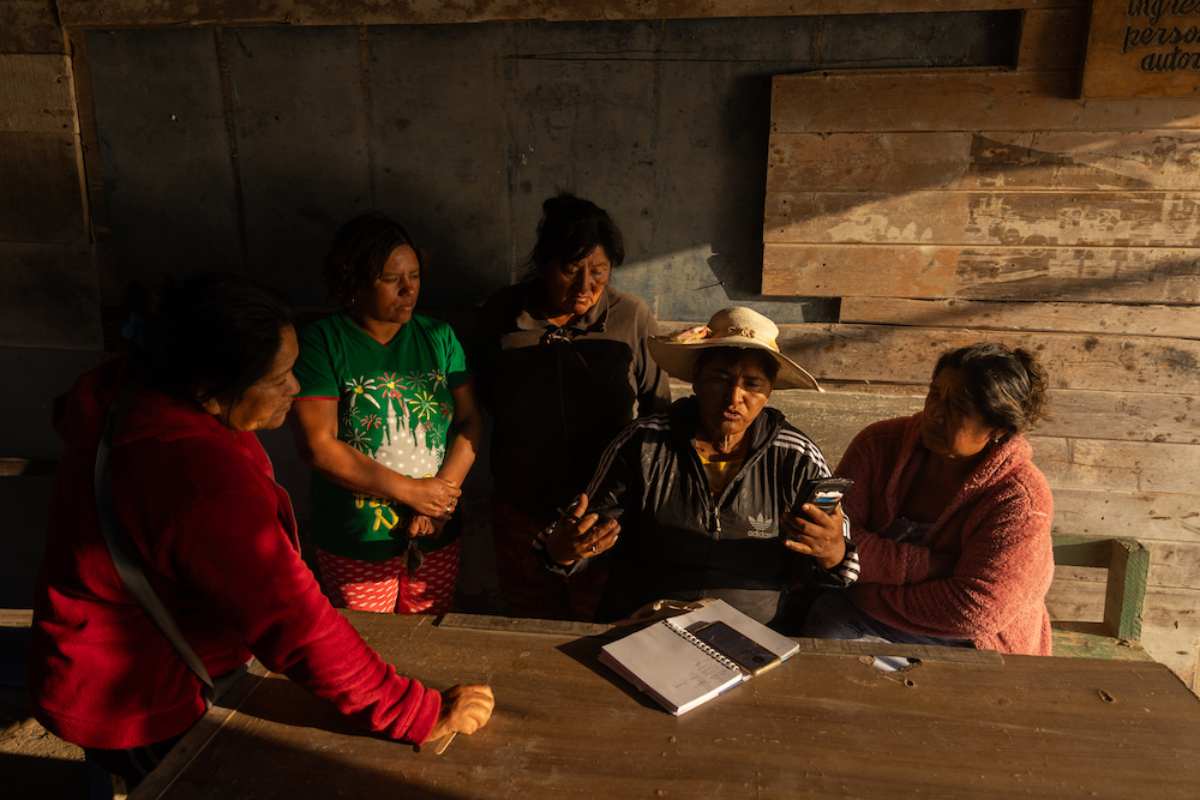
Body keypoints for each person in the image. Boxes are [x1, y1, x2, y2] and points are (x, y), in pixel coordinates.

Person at [28, 275, 493, 796]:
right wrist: (416, 713)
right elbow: (294, 623)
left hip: (99, 660)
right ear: (210, 391)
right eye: (278, 378)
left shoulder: (132, 388)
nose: (295, 390)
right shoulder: (194, 476)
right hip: (138, 695)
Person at [539, 307, 860, 626]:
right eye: (721, 378)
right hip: (646, 624)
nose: (734, 397)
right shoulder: (642, 443)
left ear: (768, 392)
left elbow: (841, 570)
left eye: (752, 384)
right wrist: (567, 550)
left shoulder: (796, 456)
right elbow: (579, 538)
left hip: (754, 633)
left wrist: (831, 552)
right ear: (697, 381)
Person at [473, 193, 670, 620]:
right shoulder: (502, 315)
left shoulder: (631, 318)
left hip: (602, 517)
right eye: (570, 270)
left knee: (597, 629)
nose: (586, 287)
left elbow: (658, 414)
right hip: (521, 511)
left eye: (598, 272)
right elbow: (479, 402)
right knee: (527, 623)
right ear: (544, 264)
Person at [802, 342, 1054, 655]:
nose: (935, 413)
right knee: (823, 628)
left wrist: (860, 578)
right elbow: (833, 533)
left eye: (959, 406)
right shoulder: (878, 445)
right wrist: (936, 567)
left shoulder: (1020, 499)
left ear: (998, 428)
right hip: (858, 616)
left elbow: (974, 611)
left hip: (970, 641)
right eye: (935, 394)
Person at [291, 214, 483, 615]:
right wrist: (414, 493)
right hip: (358, 539)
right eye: (391, 279)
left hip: (436, 530)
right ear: (355, 282)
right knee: (370, 650)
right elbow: (319, 446)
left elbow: (469, 422)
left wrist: (439, 500)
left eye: (414, 276)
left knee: (429, 640)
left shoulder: (439, 337)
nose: (409, 289)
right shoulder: (322, 343)